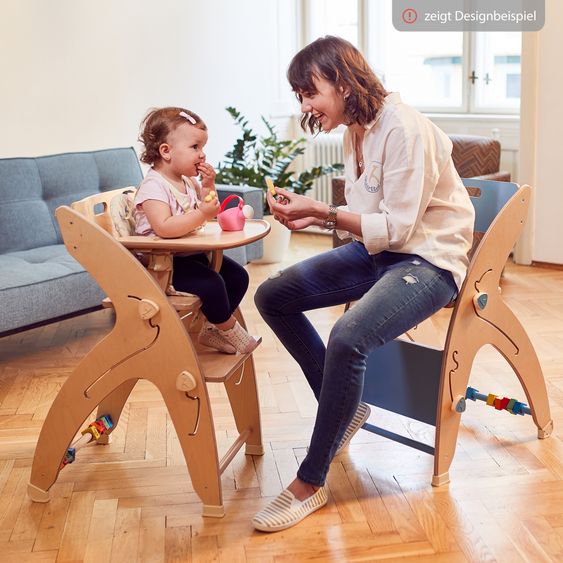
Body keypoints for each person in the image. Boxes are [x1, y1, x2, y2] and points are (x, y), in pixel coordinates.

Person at [252, 36, 475, 532]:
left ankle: (311, 481)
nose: (306, 106)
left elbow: (396, 228)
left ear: (341, 80)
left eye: (309, 92)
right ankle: (346, 413)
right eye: (300, 97)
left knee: (348, 337)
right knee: (272, 296)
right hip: (381, 254)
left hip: (429, 262)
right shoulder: (357, 131)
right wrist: (316, 217)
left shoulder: (405, 128)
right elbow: (370, 221)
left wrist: (321, 211)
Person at [135, 107, 260, 355]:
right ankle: (230, 329)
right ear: (166, 151)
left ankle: (210, 331)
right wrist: (202, 213)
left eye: (203, 148)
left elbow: (207, 209)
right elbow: (164, 228)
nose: (202, 155)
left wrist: (208, 185)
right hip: (164, 264)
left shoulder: (187, 182)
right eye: (195, 147)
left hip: (189, 254)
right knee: (212, 284)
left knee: (237, 277)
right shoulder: (153, 187)